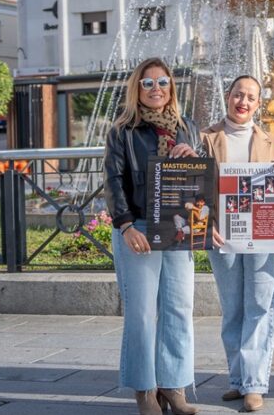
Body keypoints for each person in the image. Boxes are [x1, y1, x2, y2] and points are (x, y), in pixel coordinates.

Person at [104, 57, 203, 415]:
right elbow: (114, 182)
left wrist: (194, 155)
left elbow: (201, 177)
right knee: (142, 314)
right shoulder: (123, 131)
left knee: (179, 308)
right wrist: (126, 224)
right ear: (137, 88)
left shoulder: (187, 127)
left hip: (178, 228)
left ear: (171, 87)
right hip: (140, 228)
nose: (156, 89)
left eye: (162, 82)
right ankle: (145, 390)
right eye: (148, 83)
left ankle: (173, 385)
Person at [201, 75, 274, 412]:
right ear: (227, 97)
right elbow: (196, 190)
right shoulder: (207, 139)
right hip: (222, 233)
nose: (243, 102)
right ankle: (238, 379)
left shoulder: (272, 142)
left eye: (251, 98)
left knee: (260, 304)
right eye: (238, 95)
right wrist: (206, 221)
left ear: (259, 104)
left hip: (262, 233)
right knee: (233, 307)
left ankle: (255, 384)